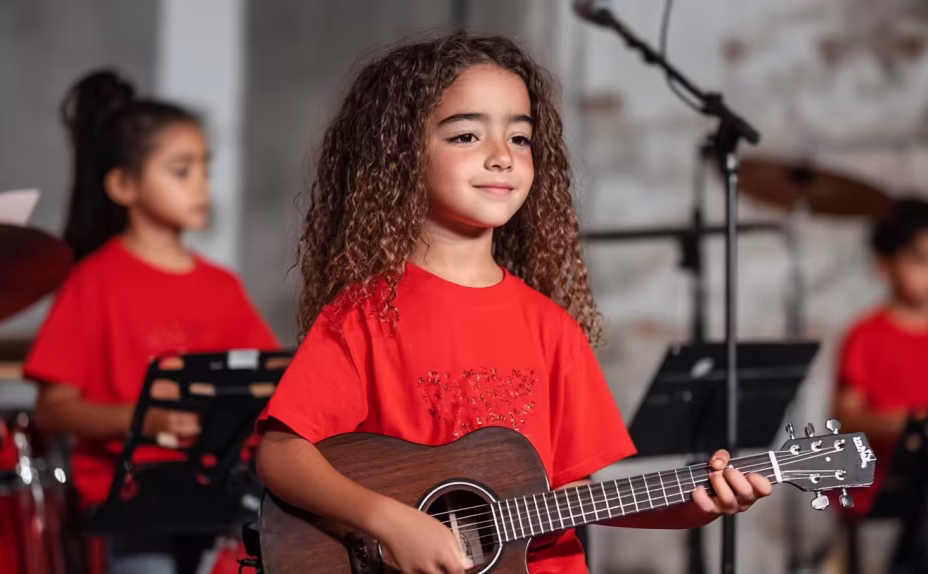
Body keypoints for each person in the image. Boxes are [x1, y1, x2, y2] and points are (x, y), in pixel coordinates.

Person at [256, 32, 771, 574]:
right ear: (399, 156)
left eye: (520, 139)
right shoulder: (365, 316)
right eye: (466, 137)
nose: (501, 157)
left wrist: (695, 508)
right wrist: (389, 520)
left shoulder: (552, 329)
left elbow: (579, 497)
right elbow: (280, 455)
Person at [24, 69, 278, 574]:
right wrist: (144, 421)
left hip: (220, 495)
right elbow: (53, 412)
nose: (202, 185)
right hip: (132, 505)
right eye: (181, 171)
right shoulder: (94, 282)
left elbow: (270, 378)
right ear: (123, 185)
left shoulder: (221, 285)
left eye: (205, 169)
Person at [834, 197, 928, 574]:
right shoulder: (866, 336)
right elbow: (846, 416)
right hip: (883, 478)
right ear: (884, 264)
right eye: (923, 260)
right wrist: (908, 422)